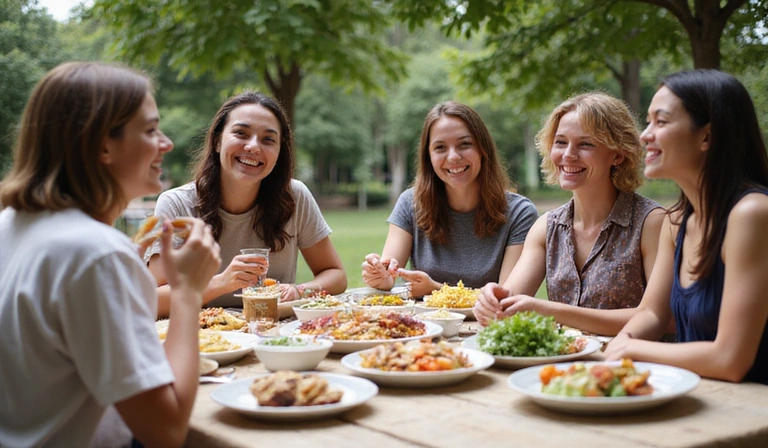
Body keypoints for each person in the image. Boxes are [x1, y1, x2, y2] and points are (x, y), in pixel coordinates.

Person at [0, 62, 221, 446]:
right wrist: (187, 292)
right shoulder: (95, 254)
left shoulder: (10, 224)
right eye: (151, 130)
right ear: (103, 144)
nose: (166, 143)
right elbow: (165, 432)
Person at [604, 70, 768, 384]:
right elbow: (652, 314)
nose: (644, 135)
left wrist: (630, 349)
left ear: (707, 136)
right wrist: (615, 349)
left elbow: (730, 360)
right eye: (648, 121)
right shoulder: (677, 220)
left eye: (661, 122)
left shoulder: (752, 214)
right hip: (700, 399)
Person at [474, 92, 666, 336]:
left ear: (618, 154)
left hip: (636, 368)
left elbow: (662, 318)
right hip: (564, 368)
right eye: (561, 142)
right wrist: (493, 301)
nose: (568, 155)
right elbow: (509, 301)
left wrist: (550, 311)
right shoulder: (546, 227)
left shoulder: (652, 223)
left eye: (586, 144)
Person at [147, 91, 347, 317]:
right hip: (206, 341)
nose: (253, 147)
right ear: (217, 141)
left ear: (280, 151)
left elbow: (335, 274)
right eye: (241, 133)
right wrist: (223, 282)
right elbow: (153, 299)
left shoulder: (294, 196)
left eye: (268, 139)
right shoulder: (176, 205)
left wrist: (299, 290)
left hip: (274, 335)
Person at [362, 101, 538, 297]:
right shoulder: (410, 203)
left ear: (483, 149)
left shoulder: (520, 213)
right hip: (424, 327)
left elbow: (506, 298)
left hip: (488, 327)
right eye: (440, 147)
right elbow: (389, 271)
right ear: (428, 156)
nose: (453, 157)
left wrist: (437, 290)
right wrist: (381, 277)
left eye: (464, 144)